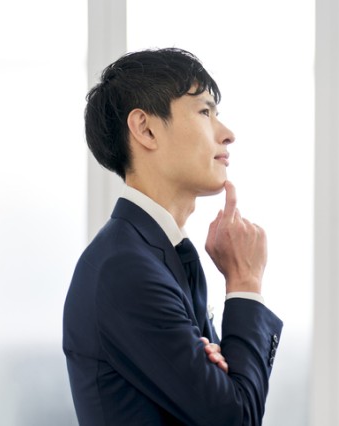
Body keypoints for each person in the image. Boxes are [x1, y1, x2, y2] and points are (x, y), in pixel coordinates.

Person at [63, 47, 283, 425]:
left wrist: (222, 375)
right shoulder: (125, 269)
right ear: (145, 129)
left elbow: (227, 399)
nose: (227, 134)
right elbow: (236, 416)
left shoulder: (154, 255)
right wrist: (245, 282)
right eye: (205, 112)